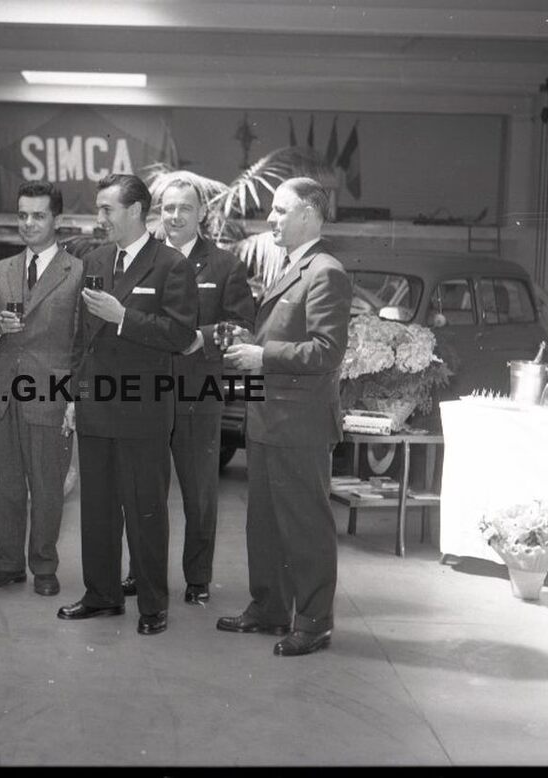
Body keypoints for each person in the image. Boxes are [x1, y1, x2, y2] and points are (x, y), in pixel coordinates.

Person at [58, 173, 197, 636]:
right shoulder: (96, 259)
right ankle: (101, 595)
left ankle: (153, 604)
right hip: (96, 404)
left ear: (136, 210)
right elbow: (81, 336)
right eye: (99, 209)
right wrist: (74, 394)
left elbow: (180, 334)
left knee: (145, 511)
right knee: (97, 509)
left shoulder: (171, 265)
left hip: (143, 411)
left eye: (107, 209)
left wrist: (124, 318)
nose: (100, 218)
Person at [218, 178, 352, 656]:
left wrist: (263, 355)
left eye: (280, 210)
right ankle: (270, 608)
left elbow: (327, 351)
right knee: (265, 523)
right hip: (269, 419)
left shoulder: (326, 273)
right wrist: (253, 345)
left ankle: (314, 623)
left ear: (309, 215)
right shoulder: (293, 266)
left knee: (304, 525)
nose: (270, 219)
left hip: (299, 425)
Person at [118, 174, 255, 604]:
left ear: (202, 214)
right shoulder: (141, 258)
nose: (175, 216)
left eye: (185, 208)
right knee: (144, 491)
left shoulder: (224, 265)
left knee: (199, 494)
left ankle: (197, 579)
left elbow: (243, 326)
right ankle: (141, 573)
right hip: (145, 393)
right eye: (168, 208)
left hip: (198, 391)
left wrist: (201, 337)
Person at [0, 182, 83, 597]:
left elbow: (82, 341)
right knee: (4, 486)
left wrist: (74, 397)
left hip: (51, 392)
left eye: (38, 215)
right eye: (22, 215)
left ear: (57, 220)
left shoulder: (77, 273)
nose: (29, 223)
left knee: (48, 486)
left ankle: (44, 565)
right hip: (1, 393)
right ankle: (7, 564)